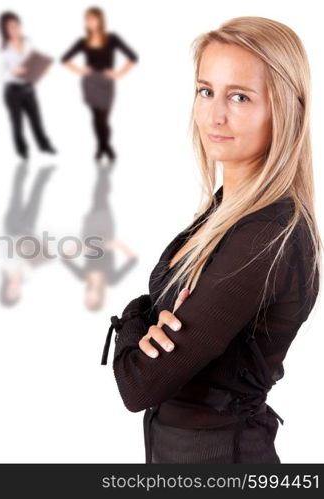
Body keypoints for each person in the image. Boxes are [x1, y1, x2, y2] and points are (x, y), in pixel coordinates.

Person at [104, 17, 321, 464]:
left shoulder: (267, 236)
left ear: (283, 108)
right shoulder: (229, 209)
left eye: (239, 97)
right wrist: (147, 317)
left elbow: (140, 383)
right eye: (206, 91)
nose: (214, 115)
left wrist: (133, 319)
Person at [61, 6, 137, 163]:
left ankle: (103, 146)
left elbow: (132, 57)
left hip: (106, 82)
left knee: (103, 117)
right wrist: (80, 70)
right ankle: (104, 147)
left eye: (92, 18)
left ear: (100, 20)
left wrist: (118, 73)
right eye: (87, 19)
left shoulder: (112, 39)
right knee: (96, 117)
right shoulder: (83, 41)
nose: (89, 22)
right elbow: (65, 58)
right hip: (90, 82)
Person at [62, 161, 136, 311]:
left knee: (98, 200)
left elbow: (64, 258)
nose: (91, 295)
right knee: (101, 200)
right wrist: (116, 245)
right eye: (94, 298)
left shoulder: (82, 275)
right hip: (104, 233)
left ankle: (103, 172)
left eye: (88, 298)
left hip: (89, 234)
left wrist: (80, 247)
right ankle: (104, 172)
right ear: (101, 297)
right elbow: (132, 260)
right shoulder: (112, 279)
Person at [0, 12, 56, 160]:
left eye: (16, 26)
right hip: (13, 92)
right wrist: (14, 71)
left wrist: (43, 68)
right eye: (10, 28)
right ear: (5, 30)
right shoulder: (4, 49)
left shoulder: (29, 41)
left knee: (37, 121)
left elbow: (35, 60)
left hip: (29, 89)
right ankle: (22, 150)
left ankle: (44, 145)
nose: (15, 30)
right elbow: (2, 76)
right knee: (17, 124)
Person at [0, 163, 54, 307]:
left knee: (17, 195)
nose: (15, 290)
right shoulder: (28, 275)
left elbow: (6, 244)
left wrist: (19, 248)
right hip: (28, 231)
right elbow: (38, 255)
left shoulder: (5, 267)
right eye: (16, 294)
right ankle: (44, 173)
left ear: (5, 288)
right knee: (36, 200)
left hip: (13, 227)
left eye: (10, 292)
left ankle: (22, 168)